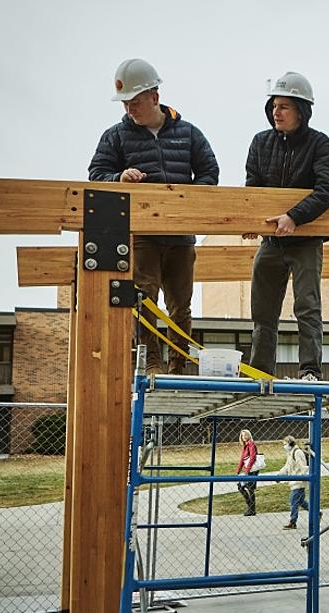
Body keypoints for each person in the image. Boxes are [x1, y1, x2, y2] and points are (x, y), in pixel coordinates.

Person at [89, 58, 220, 375]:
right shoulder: (116, 137)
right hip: (143, 235)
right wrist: (119, 177)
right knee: (144, 300)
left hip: (180, 236)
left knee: (180, 305)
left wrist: (185, 199)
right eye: (125, 104)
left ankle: (177, 365)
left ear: (154, 97)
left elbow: (209, 173)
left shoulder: (188, 133)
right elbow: (96, 176)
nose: (129, 110)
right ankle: (150, 363)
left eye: (135, 102)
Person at [242, 72, 329, 381]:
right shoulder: (260, 142)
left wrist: (294, 216)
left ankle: (310, 371)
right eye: (274, 106)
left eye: (284, 106)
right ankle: (259, 373)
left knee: (307, 305)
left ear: (301, 110)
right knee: (263, 311)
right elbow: (253, 189)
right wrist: (252, 222)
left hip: (306, 239)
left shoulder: (319, 144)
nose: (276, 112)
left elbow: (327, 189)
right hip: (272, 241)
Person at [275, 435, 310, 530]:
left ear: (290, 443)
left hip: (298, 481)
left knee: (293, 501)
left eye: (285, 444)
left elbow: (303, 466)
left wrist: (301, 477)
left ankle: (292, 522)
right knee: (301, 502)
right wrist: (279, 476)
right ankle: (317, 512)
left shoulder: (297, 452)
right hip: (294, 481)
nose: (284, 446)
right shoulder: (290, 453)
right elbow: (287, 467)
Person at [235, 429, 259, 516]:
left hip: (252, 470)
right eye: (242, 435)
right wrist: (238, 470)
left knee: (250, 489)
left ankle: (252, 509)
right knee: (240, 486)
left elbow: (253, 458)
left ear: (249, 435)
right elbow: (242, 459)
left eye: (245, 435)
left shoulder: (251, 444)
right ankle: (250, 506)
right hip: (247, 470)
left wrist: (247, 470)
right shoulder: (245, 446)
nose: (244, 437)